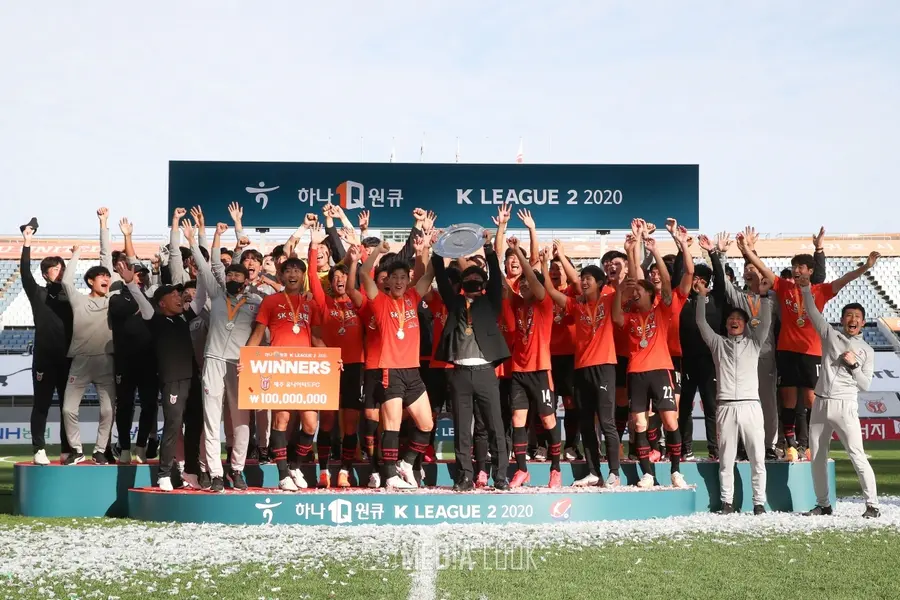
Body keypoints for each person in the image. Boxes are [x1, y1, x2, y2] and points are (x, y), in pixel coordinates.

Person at [740, 228, 873, 461]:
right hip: (786, 350)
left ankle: (809, 443)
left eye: (801, 267)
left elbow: (846, 279)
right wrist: (747, 250)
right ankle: (790, 444)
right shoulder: (783, 286)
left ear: (810, 271)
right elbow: (762, 268)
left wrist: (866, 267)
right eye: (794, 266)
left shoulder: (821, 290)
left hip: (812, 352)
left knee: (811, 400)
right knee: (788, 399)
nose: (797, 270)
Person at [432, 230, 510, 491]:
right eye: (469, 278)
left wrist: (488, 248)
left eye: (478, 278)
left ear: (483, 282)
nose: (473, 280)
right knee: (462, 428)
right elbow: (440, 276)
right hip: (460, 373)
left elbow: (496, 276)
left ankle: (500, 476)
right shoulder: (454, 302)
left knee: (495, 425)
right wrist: (436, 248)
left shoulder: (491, 302)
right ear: (463, 283)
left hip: (486, 371)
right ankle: (464, 476)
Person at [799, 266, 881, 518]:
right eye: (848, 316)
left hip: (845, 405)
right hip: (820, 403)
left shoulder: (868, 350)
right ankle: (823, 504)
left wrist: (854, 366)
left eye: (857, 316)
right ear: (842, 319)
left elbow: (865, 385)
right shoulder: (829, 335)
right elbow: (812, 312)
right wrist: (805, 288)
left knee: (856, 455)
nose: (852, 320)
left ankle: (873, 505)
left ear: (863, 322)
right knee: (817, 457)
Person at [188, 220, 260, 492]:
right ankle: (215, 473)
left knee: (241, 421)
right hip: (214, 361)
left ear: (246, 280)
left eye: (237, 277)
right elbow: (207, 266)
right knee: (211, 418)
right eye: (229, 276)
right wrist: (193, 240)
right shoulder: (217, 296)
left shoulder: (256, 302)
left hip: (240, 366)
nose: (232, 279)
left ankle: (237, 469)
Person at [119, 261, 205, 491]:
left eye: (179, 293)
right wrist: (130, 283)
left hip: (193, 379)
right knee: (173, 425)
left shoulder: (184, 317)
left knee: (195, 426)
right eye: (174, 295)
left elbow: (202, 296)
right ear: (162, 303)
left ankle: (191, 471)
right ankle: (164, 473)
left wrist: (202, 269)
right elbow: (142, 302)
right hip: (172, 380)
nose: (179, 297)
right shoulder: (155, 318)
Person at [613, 228, 687, 489]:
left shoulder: (662, 311)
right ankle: (647, 474)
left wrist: (654, 250)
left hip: (661, 370)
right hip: (636, 373)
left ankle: (676, 471)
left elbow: (666, 283)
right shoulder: (631, 316)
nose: (635, 294)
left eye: (639, 292)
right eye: (634, 292)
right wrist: (621, 289)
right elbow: (616, 317)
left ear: (650, 294)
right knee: (639, 423)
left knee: (670, 420)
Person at [359, 238, 435, 490]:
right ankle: (390, 475)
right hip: (389, 370)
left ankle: (407, 462)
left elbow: (430, 274)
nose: (400, 281)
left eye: (404, 277)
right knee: (391, 426)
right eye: (395, 278)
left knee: (426, 424)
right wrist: (377, 253)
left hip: (413, 372)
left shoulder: (413, 296)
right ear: (388, 281)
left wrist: (434, 249)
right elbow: (364, 274)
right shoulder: (379, 301)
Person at [695, 277, 772, 514]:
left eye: (739, 319)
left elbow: (766, 323)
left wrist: (764, 297)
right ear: (726, 324)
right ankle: (726, 502)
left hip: (751, 406)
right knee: (726, 459)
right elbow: (701, 322)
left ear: (746, 324)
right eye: (731, 319)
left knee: (757, 458)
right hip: (726, 406)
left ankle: (759, 503)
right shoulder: (717, 343)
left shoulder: (755, 343)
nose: (734, 321)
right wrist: (701, 297)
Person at [245, 256, 319, 491]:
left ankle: (295, 466)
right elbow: (258, 333)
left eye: (297, 271)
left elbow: (316, 337)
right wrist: (246, 359)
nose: (293, 274)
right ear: (281, 275)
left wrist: (332, 358)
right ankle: (283, 474)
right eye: (288, 271)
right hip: (280, 368)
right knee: (282, 420)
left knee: (310, 424)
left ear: (303, 276)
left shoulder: (310, 304)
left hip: (305, 370)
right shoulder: (271, 301)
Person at [544, 262, 620, 487]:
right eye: (582, 278)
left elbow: (625, 284)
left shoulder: (609, 299)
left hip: (604, 367)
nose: (584, 282)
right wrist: (543, 264)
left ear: (599, 283)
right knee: (585, 423)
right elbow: (551, 292)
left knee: (606, 422)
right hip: (581, 369)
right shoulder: (576, 305)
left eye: (589, 278)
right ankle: (594, 472)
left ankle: (614, 473)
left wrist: (632, 253)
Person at [308, 229, 367, 488]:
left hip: (354, 367)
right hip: (328, 368)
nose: (340, 280)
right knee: (328, 421)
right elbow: (312, 276)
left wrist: (356, 248)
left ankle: (345, 470)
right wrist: (313, 246)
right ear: (330, 283)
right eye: (336, 277)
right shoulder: (324, 304)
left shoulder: (359, 303)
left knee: (351, 423)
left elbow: (365, 273)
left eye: (344, 276)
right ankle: (324, 470)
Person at [60, 211, 117, 465]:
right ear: (91, 281)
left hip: (106, 360)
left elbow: (107, 258)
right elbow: (66, 281)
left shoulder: (112, 299)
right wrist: (75, 254)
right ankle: (76, 449)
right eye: (101, 276)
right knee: (68, 408)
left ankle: (100, 450)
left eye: (108, 276)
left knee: (108, 409)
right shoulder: (79, 300)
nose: (106, 278)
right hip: (80, 360)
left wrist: (104, 224)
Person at [507, 236, 560, 488]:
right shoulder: (516, 303)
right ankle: (521, 469)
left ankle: (556, 469)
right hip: (518, 370)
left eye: (529, 282)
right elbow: (502, 282)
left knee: (548, 420)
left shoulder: (544, 302)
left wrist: (519, 252)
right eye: (522, 284)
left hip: (540, 370)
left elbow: (533, 277)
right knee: (518, 420)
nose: (524, 286)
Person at [20, 223, 73, 465]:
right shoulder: (38, 293)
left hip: (68, 359)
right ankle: (39, 448)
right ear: (45, 274)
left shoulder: (71, 297)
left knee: (67, 408)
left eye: (62, 268)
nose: (59, 272)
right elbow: (24, 273)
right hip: (44, 359)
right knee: (41, 405)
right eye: (55, 269)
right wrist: (27, 243)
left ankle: (67, 450)